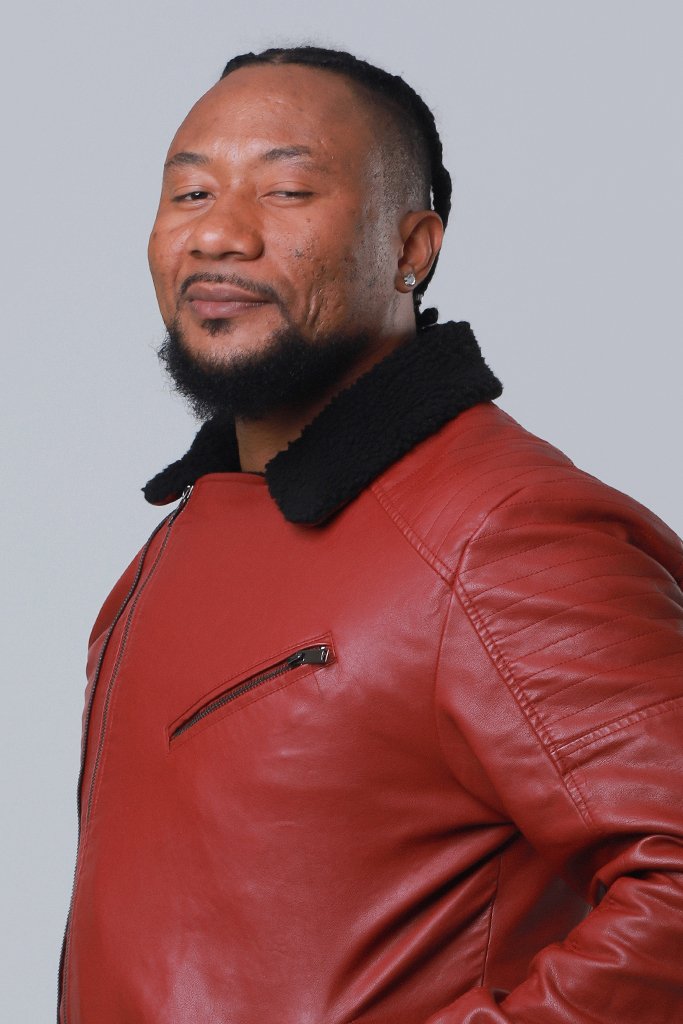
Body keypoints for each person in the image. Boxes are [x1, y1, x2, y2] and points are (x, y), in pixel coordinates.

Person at [58, 45, 683, 1024]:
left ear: (411, 248)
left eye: (286, 190)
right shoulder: (188, 528)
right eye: (189, 194)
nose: (218, 232)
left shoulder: (502, 532)